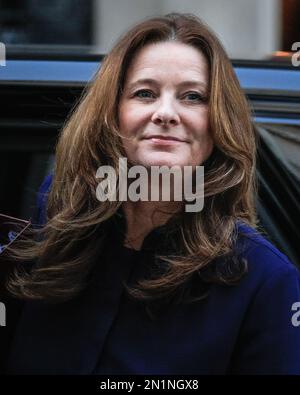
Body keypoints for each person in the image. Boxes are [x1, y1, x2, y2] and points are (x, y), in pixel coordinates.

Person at [1, 12, 300, 375]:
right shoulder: (60, 215)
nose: (166, 113)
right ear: (113, 113)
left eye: (192, 96)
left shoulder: (263, 279)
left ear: (218, 123)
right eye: (145, 93)